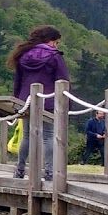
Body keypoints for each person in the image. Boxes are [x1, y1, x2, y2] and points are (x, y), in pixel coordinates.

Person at [10, 26, 71, 181]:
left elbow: (18, 81)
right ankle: (49, 172)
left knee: (27, 136)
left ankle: (20, 169)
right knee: (49, 136)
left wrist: (17, 100)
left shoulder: (23, 55)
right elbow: (63, 79)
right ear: (50, 41)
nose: (56, 46)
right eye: (56, 42)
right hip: (49, 100)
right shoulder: (54, 56)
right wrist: (67, 102)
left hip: (26, 99)